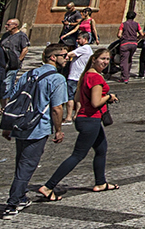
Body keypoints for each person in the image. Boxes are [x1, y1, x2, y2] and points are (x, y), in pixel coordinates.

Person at [0, 43, 72, 217]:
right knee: (27, 165)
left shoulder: (29, 74)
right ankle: (12, 203)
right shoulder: (57, 79)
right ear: (53, 57)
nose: (67, 58)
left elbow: (13, 100)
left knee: (21, 163)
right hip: (38, 127)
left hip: (20, 124)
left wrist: (7, 126)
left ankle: (21, 196)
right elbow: (57, 108)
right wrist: (58, 130)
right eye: (64, 55)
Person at [37, 48, 119, 199]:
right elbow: (95, 103)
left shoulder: (86, 74)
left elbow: (77, 98)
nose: (105, 62)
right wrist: (109, 97)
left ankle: (101, 182)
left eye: (108, 59)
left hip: (84, 118)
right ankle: (48, 186)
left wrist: (77, 113)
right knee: (78, 155)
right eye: (102, 59)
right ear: (94, 59)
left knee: (101, 149)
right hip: (91, 119)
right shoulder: (96, 78)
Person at [116, 14, 141, 83]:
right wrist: (137, 39)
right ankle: (127, 74)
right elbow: (141, 34)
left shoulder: (123, 24)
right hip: (134, 44)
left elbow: (119, 34)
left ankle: (125, 77)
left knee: (124, 60)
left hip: (125, 43)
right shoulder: (137, 24)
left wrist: (122, 38)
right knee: (129, 59)